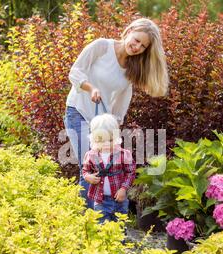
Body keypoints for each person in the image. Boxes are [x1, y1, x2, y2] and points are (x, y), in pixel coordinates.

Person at [64, 17, 169, 208]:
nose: (137, 47)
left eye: (143, 46)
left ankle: (101, 217)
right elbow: (75, 71)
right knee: (88, 166)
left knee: (102, 168)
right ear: (129, 30)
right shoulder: (102, 46)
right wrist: (90, 88)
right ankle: (86, 220)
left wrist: (116, 124)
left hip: (101, 123)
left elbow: (123, 98)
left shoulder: (132, 68)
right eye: (136, 40)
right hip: (77, 111)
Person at [82, 114, 136, 223]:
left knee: (120, 228)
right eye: (102, 140)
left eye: (110, 140)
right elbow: (85, 170)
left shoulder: (122, 154)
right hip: (100, 200)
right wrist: (88, 177)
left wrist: (123, 189)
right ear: (94, 139)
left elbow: (130, 172)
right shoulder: (91, 155)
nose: (106, 144)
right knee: (101, 227)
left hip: (119, 199)